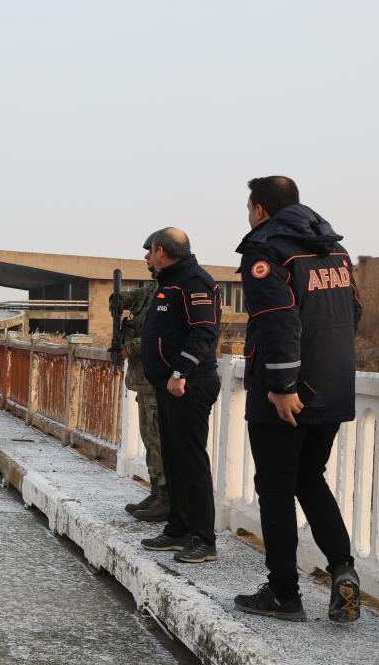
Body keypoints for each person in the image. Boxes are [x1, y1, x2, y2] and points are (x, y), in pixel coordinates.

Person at [232, 176, 362, 623]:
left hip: (286, 394)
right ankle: (343, 568)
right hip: (333, 387)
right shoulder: (334, 250)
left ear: (260, 209)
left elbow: (278, 319)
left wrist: (284, 385)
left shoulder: (266, 249)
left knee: (275, 488)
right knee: (309, 478)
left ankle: (284, 593)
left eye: (248, 207)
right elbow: (353, 312)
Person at [138, 228, 221, 564]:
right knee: (173, 458)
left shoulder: (194, 282)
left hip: (189, 383)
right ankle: (179, 529)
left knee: (191, 460)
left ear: (161, 250)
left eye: (149, 251)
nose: (146, 257)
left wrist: (180, 372)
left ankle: (204, 539)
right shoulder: (169, 283)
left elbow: (204, 331)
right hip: (168, 385)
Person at [112, 235, 168, 522]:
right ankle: (157, 492)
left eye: (150, 252)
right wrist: (118, 299)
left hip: (157, 379)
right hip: (144, 379)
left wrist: (128, 348)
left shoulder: (169, 289)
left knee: (158, 439)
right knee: (150, 437)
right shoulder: (152, 288)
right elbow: (132, 298)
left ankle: (166, 497)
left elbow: (161, 335)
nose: (146, 258)